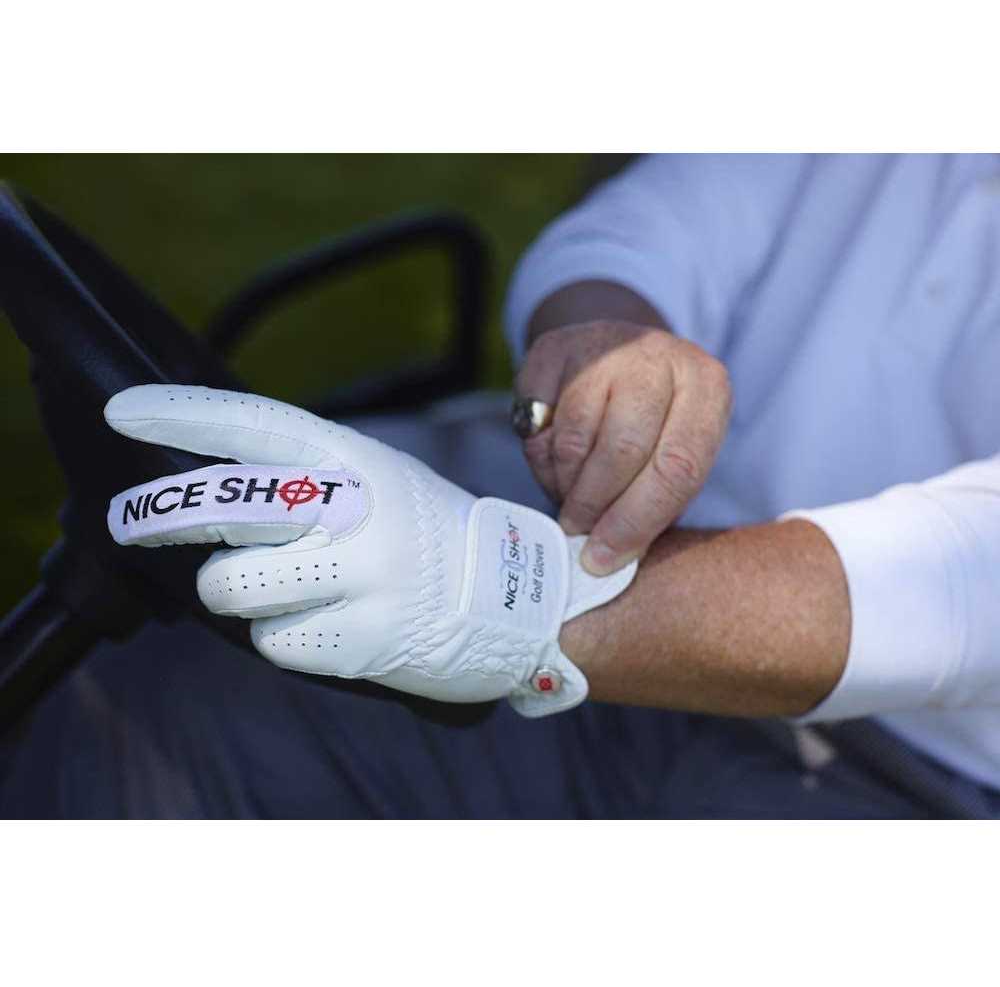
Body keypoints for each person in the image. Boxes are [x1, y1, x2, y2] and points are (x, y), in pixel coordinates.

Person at [4, 153, 1000, 819]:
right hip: (616, 546)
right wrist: (607, 342)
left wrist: (515, 595)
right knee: (153, 694)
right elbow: (655, 220)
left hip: (920, 778)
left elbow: (963, 585)